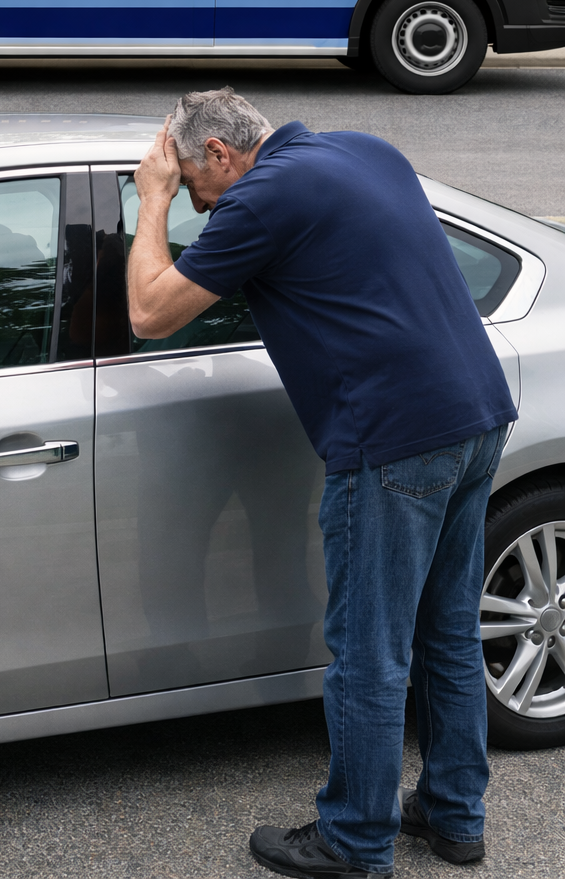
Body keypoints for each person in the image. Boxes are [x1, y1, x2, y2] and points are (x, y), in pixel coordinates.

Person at [127, 89, 517, 879]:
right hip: (476, 415)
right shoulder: (365, 149)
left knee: (369, 655)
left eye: (199, 192)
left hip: (393, 444)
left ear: (218, 157)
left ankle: (355, 841)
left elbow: (149, 313)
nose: (204, 212)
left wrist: (153, 201)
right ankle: (453, 814)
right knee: (444, 634)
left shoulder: (262, 197)